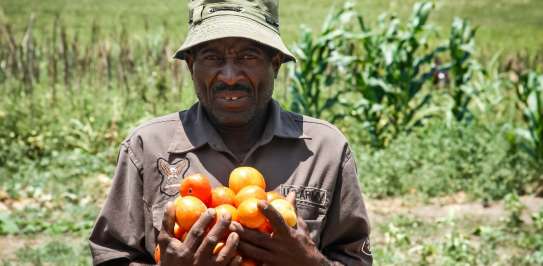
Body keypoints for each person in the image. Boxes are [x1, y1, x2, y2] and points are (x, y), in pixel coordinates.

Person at [89, 0, 372, 265]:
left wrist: (311, 263)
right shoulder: (148, 147)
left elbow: (356, 259)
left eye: (248, 56)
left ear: (275, 63)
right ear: (190, 65)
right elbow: (112, 256)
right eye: (212, 57)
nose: (230, 76)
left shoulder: (325, 150)